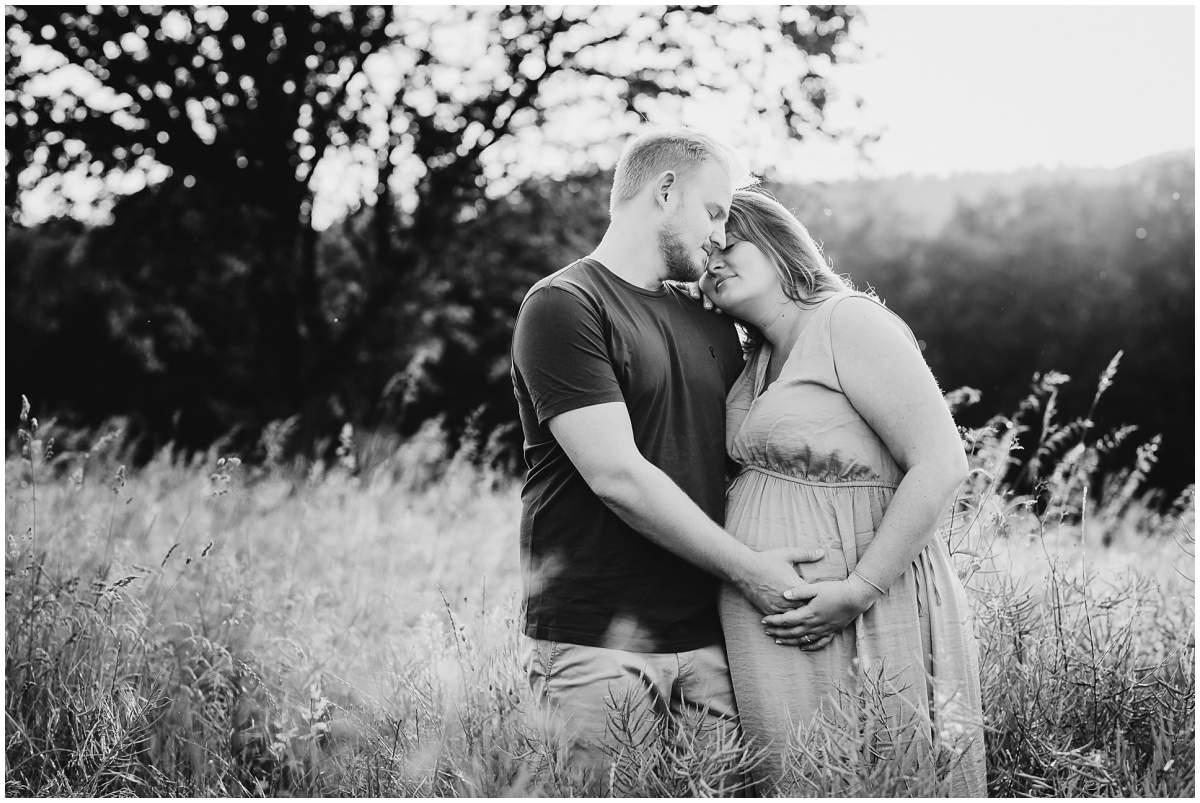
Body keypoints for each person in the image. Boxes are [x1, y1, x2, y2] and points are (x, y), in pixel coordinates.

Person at [509, 130, 821, 789]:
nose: (718, 235)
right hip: (600, 642)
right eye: (713, 212)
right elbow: (616, 476)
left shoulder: (708, 317)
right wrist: (754, 573)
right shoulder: (565, 305)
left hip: (712, 636)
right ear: (666, 190)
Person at [698, 188, 987, 795]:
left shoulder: (847, 321)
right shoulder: (758, 355)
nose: (715, 261)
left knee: (879, 774)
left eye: (730, 243)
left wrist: (857, 591)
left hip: (867, 603)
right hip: (783, 626)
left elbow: (940, 463)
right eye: (704, 256)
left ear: (781, 245)